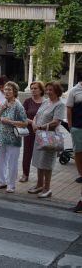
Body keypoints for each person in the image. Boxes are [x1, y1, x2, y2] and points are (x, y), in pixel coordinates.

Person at [0, 81, 28, 193]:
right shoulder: (2, 104)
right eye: (5, 89)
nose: (7, 91)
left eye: (9, 89)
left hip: (13, 139)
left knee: (12, 162)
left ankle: (11, 185)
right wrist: (1, 109)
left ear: (14, 92)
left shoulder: (18, 105)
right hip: (1, 137)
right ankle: (1, 181)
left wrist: (10, 121)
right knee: (1, 161)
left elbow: (25, 123)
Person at [29, 81, 65, 198]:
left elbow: (56, 122)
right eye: (47, 89)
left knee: (47, 163)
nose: (48, 92)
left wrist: (40, 127)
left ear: (57, 91)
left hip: (50, 137)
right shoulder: (45, 102)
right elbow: (37, 115)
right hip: (40, 135)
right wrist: (34, 123)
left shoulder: (60, 104)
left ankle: (47, 188)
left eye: (51, 90)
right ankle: (39, 184)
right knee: (39, 161)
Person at [20, 81, 45, 182]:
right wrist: (32, 123)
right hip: (29, 131)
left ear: (41, 90)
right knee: (27, 153)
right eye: (32, 88)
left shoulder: (46, 102)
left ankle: (41, 177)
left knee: (41, 154)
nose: (33, 90)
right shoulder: (27, 101)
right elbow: (22, 116)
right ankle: (25, 174)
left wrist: (39, 125)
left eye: (35, 88)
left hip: (42, 131)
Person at [66, 74, 82, 212]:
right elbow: (69, 109)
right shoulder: (74, 90)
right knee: (78, 151)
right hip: (78, 126)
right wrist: (70, 126)